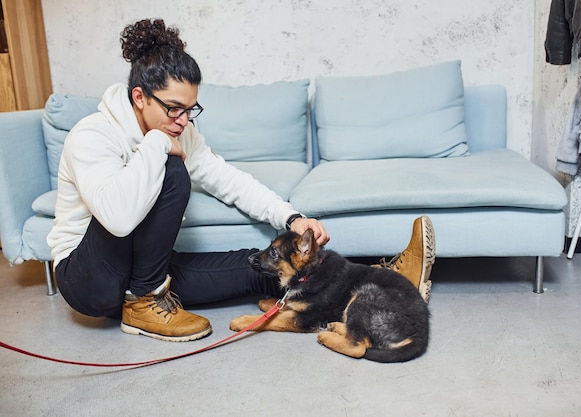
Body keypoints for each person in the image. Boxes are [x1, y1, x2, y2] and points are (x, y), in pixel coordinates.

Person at [47, 18, 433, 343]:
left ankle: (379, 283)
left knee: (266, 268)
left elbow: (230, 181)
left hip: (147, 270)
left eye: (190, 110)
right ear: (139, 97)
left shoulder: (179, 131)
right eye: (173, 109)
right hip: (90, 279)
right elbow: (117, 219)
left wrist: (292, 219)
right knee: (174, 172)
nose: (183, 121)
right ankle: (143, 303)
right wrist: (155, 146)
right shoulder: (92, 135)